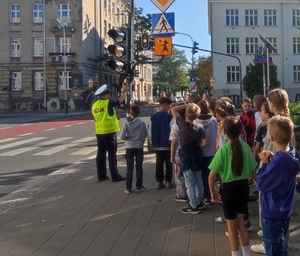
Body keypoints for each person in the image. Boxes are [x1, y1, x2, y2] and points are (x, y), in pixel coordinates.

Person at [251, 88, 293, 254]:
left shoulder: (274, 124)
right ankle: (281, 242)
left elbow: (262, 183)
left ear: (272, 103)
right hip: (283, 167)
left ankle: (269, 242)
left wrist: (264, 163)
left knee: (268, 203)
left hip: (271, 165)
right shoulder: (286, 121)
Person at [208, 116, 258, 256]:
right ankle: (246, 253)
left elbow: (211, 175)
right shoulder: (246, 147)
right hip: (243, 187)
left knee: (231, 227)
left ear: (224, 132)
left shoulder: (222, 151)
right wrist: (258, 183)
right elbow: (253, 170)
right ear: (241, 131)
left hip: (228, 189)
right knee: (242, 224)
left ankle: (236, 254)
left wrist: (213, 192)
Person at [256, 116, 300, 256]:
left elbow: (261, 184)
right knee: (281, 246)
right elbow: (282, 169)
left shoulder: (278, 162)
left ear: (272, 138)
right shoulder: (292, 154)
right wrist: (273, 158)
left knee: (274, 249)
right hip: (284, 210)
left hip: (272, 213)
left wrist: (264, 163)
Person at [171, 103, 207, 214]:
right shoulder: (200, 127)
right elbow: (204, 143)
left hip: (186, 154)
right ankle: (200, 201)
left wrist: (187, 104)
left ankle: (193, 205)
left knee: (189, 181)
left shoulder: (182, 124)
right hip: (196, 154)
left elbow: (174, 109)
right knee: (198, 179)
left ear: (186, 113)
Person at [92, 83, 126, 182]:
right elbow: (121, 100)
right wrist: (123, 91)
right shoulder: (108, 103)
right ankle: (115, 176)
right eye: (108, 94)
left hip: (99, 132)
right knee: (112, 155)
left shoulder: (94, 105)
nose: (109, 95)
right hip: (109, 132)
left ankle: (101, 176)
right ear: (103, 95)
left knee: (100, 155)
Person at [120, 105, 148, 194]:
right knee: (139, 167)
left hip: (129, 147)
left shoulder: (126, 123)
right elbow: (145, 134)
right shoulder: (142, 123)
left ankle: (128, 187)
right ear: (139, 113)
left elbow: (122, 136)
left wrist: (128, 138)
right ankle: (139, 186)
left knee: (129, 168)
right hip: (139, 147)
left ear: (129, 113)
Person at [197, 99, 218, 205]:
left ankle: (206, 196)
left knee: (203, 175)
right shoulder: (214, 120)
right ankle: (213, 193)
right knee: (212, 175)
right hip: (213, 151)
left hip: (201, 151)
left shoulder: (196, 121)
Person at [149, 97, 173, 189]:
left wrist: (153, 142)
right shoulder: (170, 117)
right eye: (169, 105)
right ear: (166, 105)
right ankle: (168, 181)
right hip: (168, 145)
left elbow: (150, 131)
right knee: (169, 163)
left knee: (159, 163)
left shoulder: (154, 117)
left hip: (157, 145)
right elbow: (172, 131)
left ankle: (159, 181)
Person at [169, 108, 188, 202]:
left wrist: (171, 156)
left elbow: (173, 142)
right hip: (189, 152)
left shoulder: (176, 126)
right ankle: (191, 193)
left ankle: (181, 194)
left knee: (179, 175)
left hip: (178, 153)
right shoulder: (192, 123)